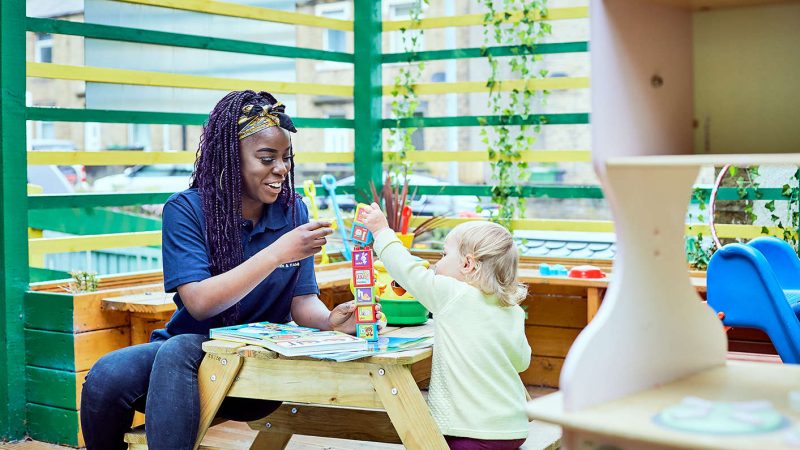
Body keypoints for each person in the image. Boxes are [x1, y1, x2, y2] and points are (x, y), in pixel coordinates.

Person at [80, 90, 371, 449]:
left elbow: (302, 301)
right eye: (267, 158)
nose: (281, 168)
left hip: (258, 366)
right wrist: (276, 253)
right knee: (106, 376)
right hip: (187, 359)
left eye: (285, 157)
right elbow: (199, 303)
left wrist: (330, 322)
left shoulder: (293, 211)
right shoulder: (186, 211)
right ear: (231, 160)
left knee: (179, 349)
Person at [360, 203, 532, 450]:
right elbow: (522, 362)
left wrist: (381, 231)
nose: (437, 264)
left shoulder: (452, 293)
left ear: (467, 265)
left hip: (469, 433)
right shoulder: (513, 311)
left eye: (443, 255)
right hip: (514, 430)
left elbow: (407, 271)